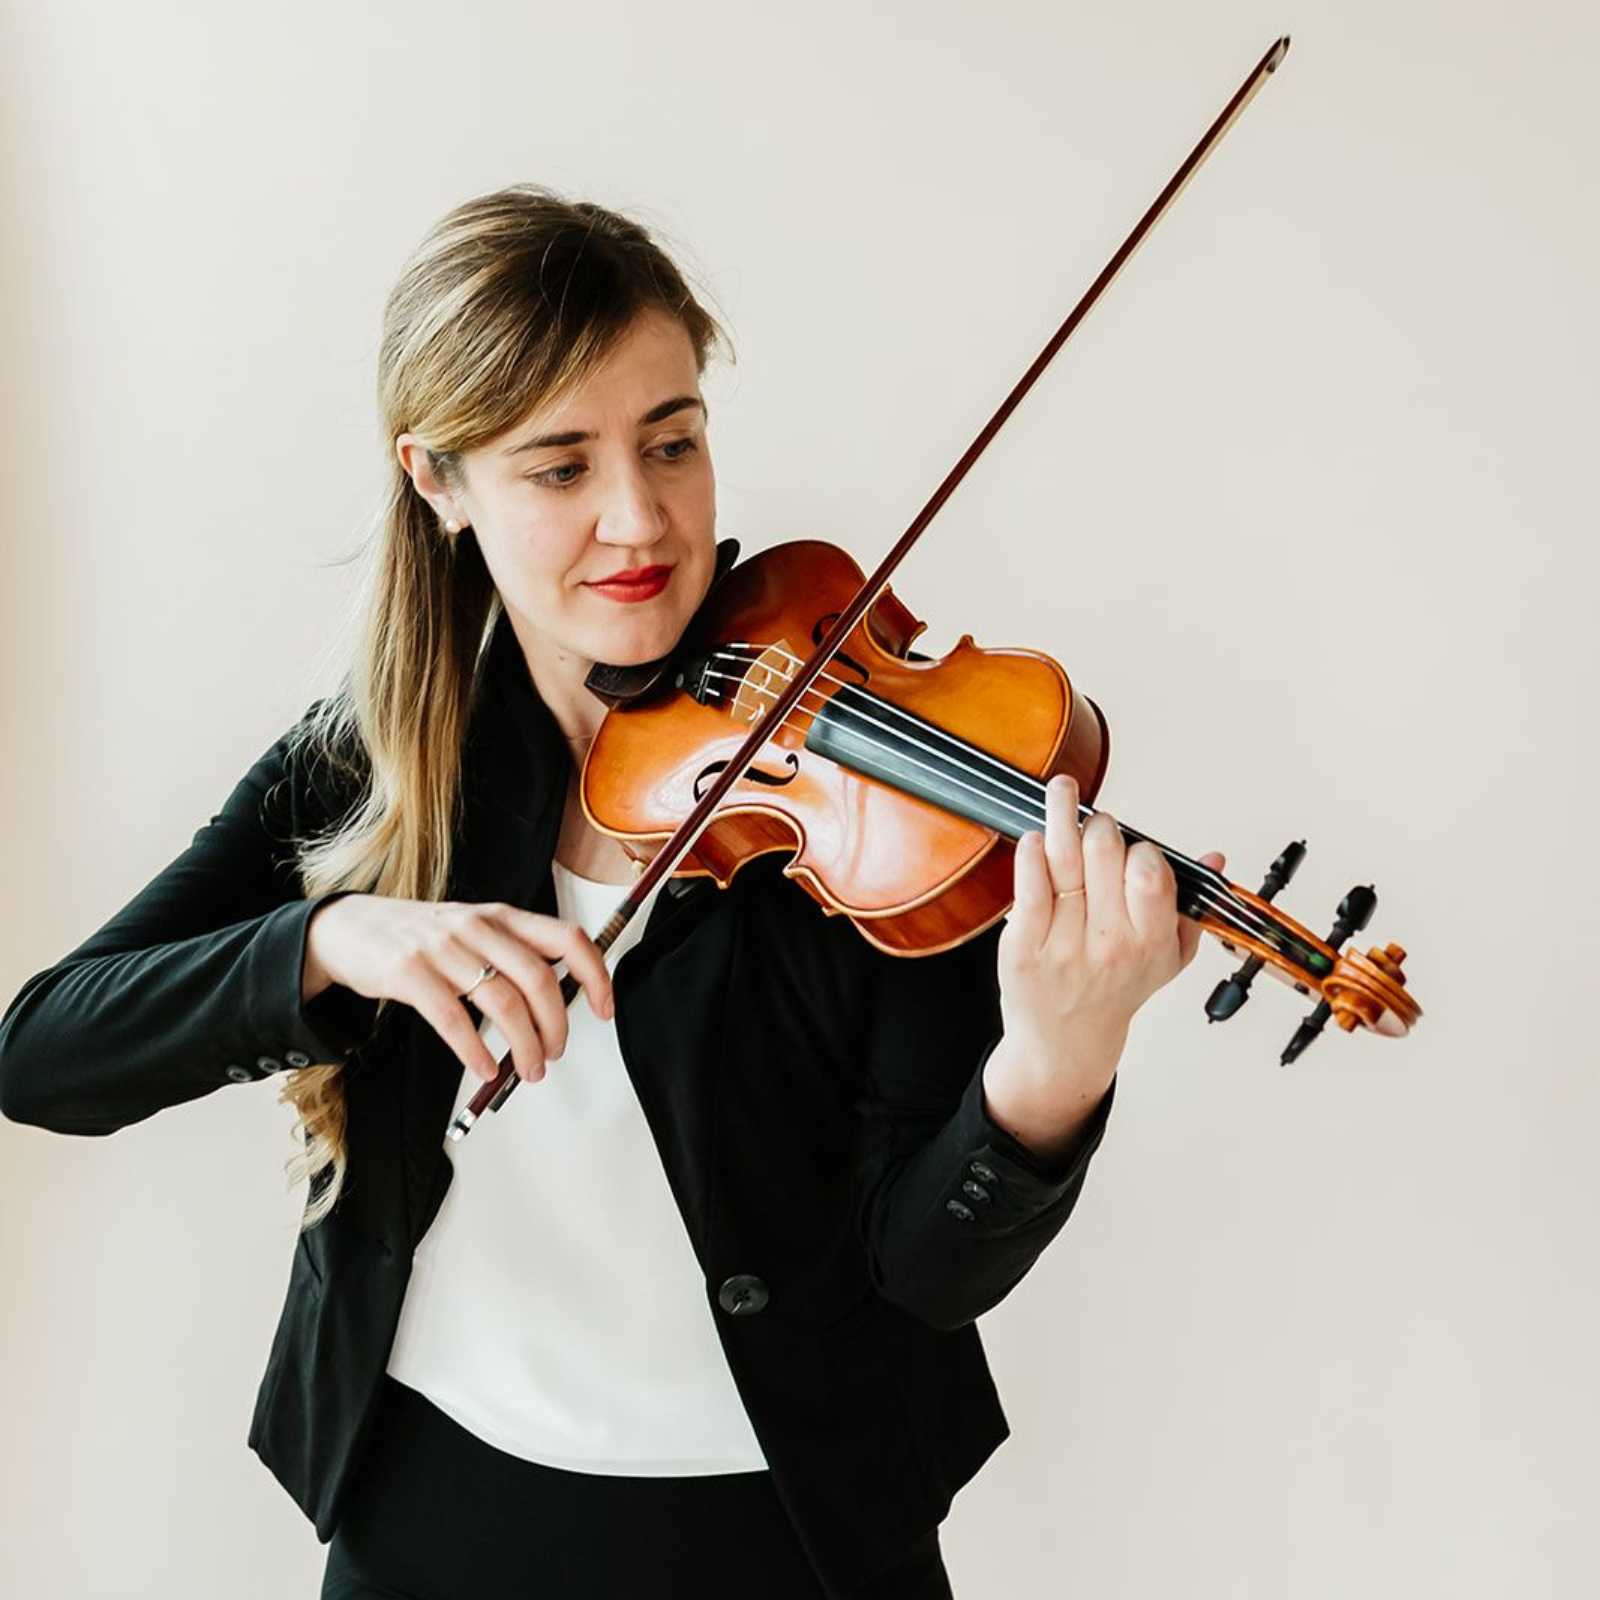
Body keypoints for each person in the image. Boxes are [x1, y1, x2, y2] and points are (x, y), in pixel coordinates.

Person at [0, 185, 1221, 1599]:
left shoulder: (863, 792)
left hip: (793, 1540)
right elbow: (45, 1055)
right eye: (559, 466)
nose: (639, 520)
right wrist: (338, 939)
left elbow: (922, 1274)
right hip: (429, 1519)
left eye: (673, 442)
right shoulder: (385, 760)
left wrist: (1053, 1069)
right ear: (439, 483)